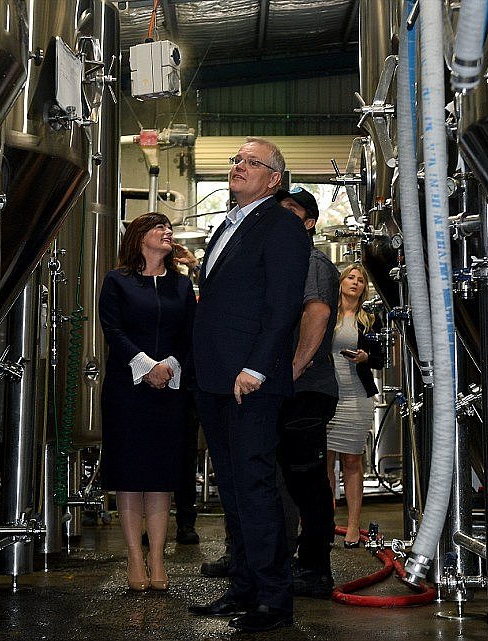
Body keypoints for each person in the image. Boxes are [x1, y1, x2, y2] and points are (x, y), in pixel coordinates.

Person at [188, 137, 309, 633]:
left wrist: (257, 367)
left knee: (256, 487)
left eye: (250, 162)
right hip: (214, 379)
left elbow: (283, 306)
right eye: (235, 160)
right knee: (234, 489)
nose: (237, 166)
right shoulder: (226, 225)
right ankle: (243, 587)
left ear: (274, 178)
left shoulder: (281, 226)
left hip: (249, 380)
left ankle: (274, 600)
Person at [98, 212, 196, 592]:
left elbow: (189, 333)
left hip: (169, 390)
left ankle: (157, 556)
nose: (167, 232)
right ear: (140, 237)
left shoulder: (181, 286)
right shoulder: (117, 281)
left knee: (160, 477)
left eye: (169, 227)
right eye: (159, 227)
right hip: (128, 388)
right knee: (130, 475)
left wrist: (169, 367)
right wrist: (146, 365)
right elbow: (113, 329)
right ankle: (134, 557)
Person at [274, 187, 340, 598]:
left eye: (292, 211)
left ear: (309, 222)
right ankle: (300, 561)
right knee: (292, 479)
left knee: (308, 481)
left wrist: (295, 367)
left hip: (308, 389)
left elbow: (317, 311)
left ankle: (316, 569)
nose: (283, 217)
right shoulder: (287, 261)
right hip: (290, 389)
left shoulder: (313, 260)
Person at [326, 264, 381, 548]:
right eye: (351, 277)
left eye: (361, 279)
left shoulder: (369, 320)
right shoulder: (325, 313)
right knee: (324, 460)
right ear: (341, 281)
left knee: (351, 460)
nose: (355, 282)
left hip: (357, 394)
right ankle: (322, 522)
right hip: (327, 394)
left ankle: (353, 526)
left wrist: (365, 357)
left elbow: (381, 358)